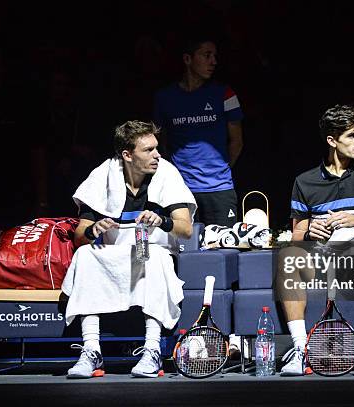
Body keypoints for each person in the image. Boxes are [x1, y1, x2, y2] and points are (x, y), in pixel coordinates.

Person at [62, 120, 196, 379]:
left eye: (157, 148)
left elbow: (186, 229)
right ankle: (91, 350)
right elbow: (80, 235)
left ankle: (152, 349)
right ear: (127, 154)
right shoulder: (104, 175)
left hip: (152, 250)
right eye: (148, 150)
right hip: (114, 254)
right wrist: (94, 229)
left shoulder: (166, 173)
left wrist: (163, 221)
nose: (157, 155)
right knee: (85, 255)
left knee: (154, 257)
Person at [278, 105, 354, 376]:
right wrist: (310, 232)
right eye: (352, 136)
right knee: (288, 255)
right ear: (332, 141)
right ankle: (300, 349)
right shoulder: (305, 182)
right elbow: (297, 234)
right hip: (322, 262)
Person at [153, 35, 243, 228]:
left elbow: (237, 141)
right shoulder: (164, 98)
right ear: (187, 59)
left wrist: (221, 170)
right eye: (207, 55)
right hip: (180, 190)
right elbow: (159, 140)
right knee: (183, 251)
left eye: (215, 56)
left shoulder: (225, 93)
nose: (214, 61)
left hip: (220, 190)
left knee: (222, 250)